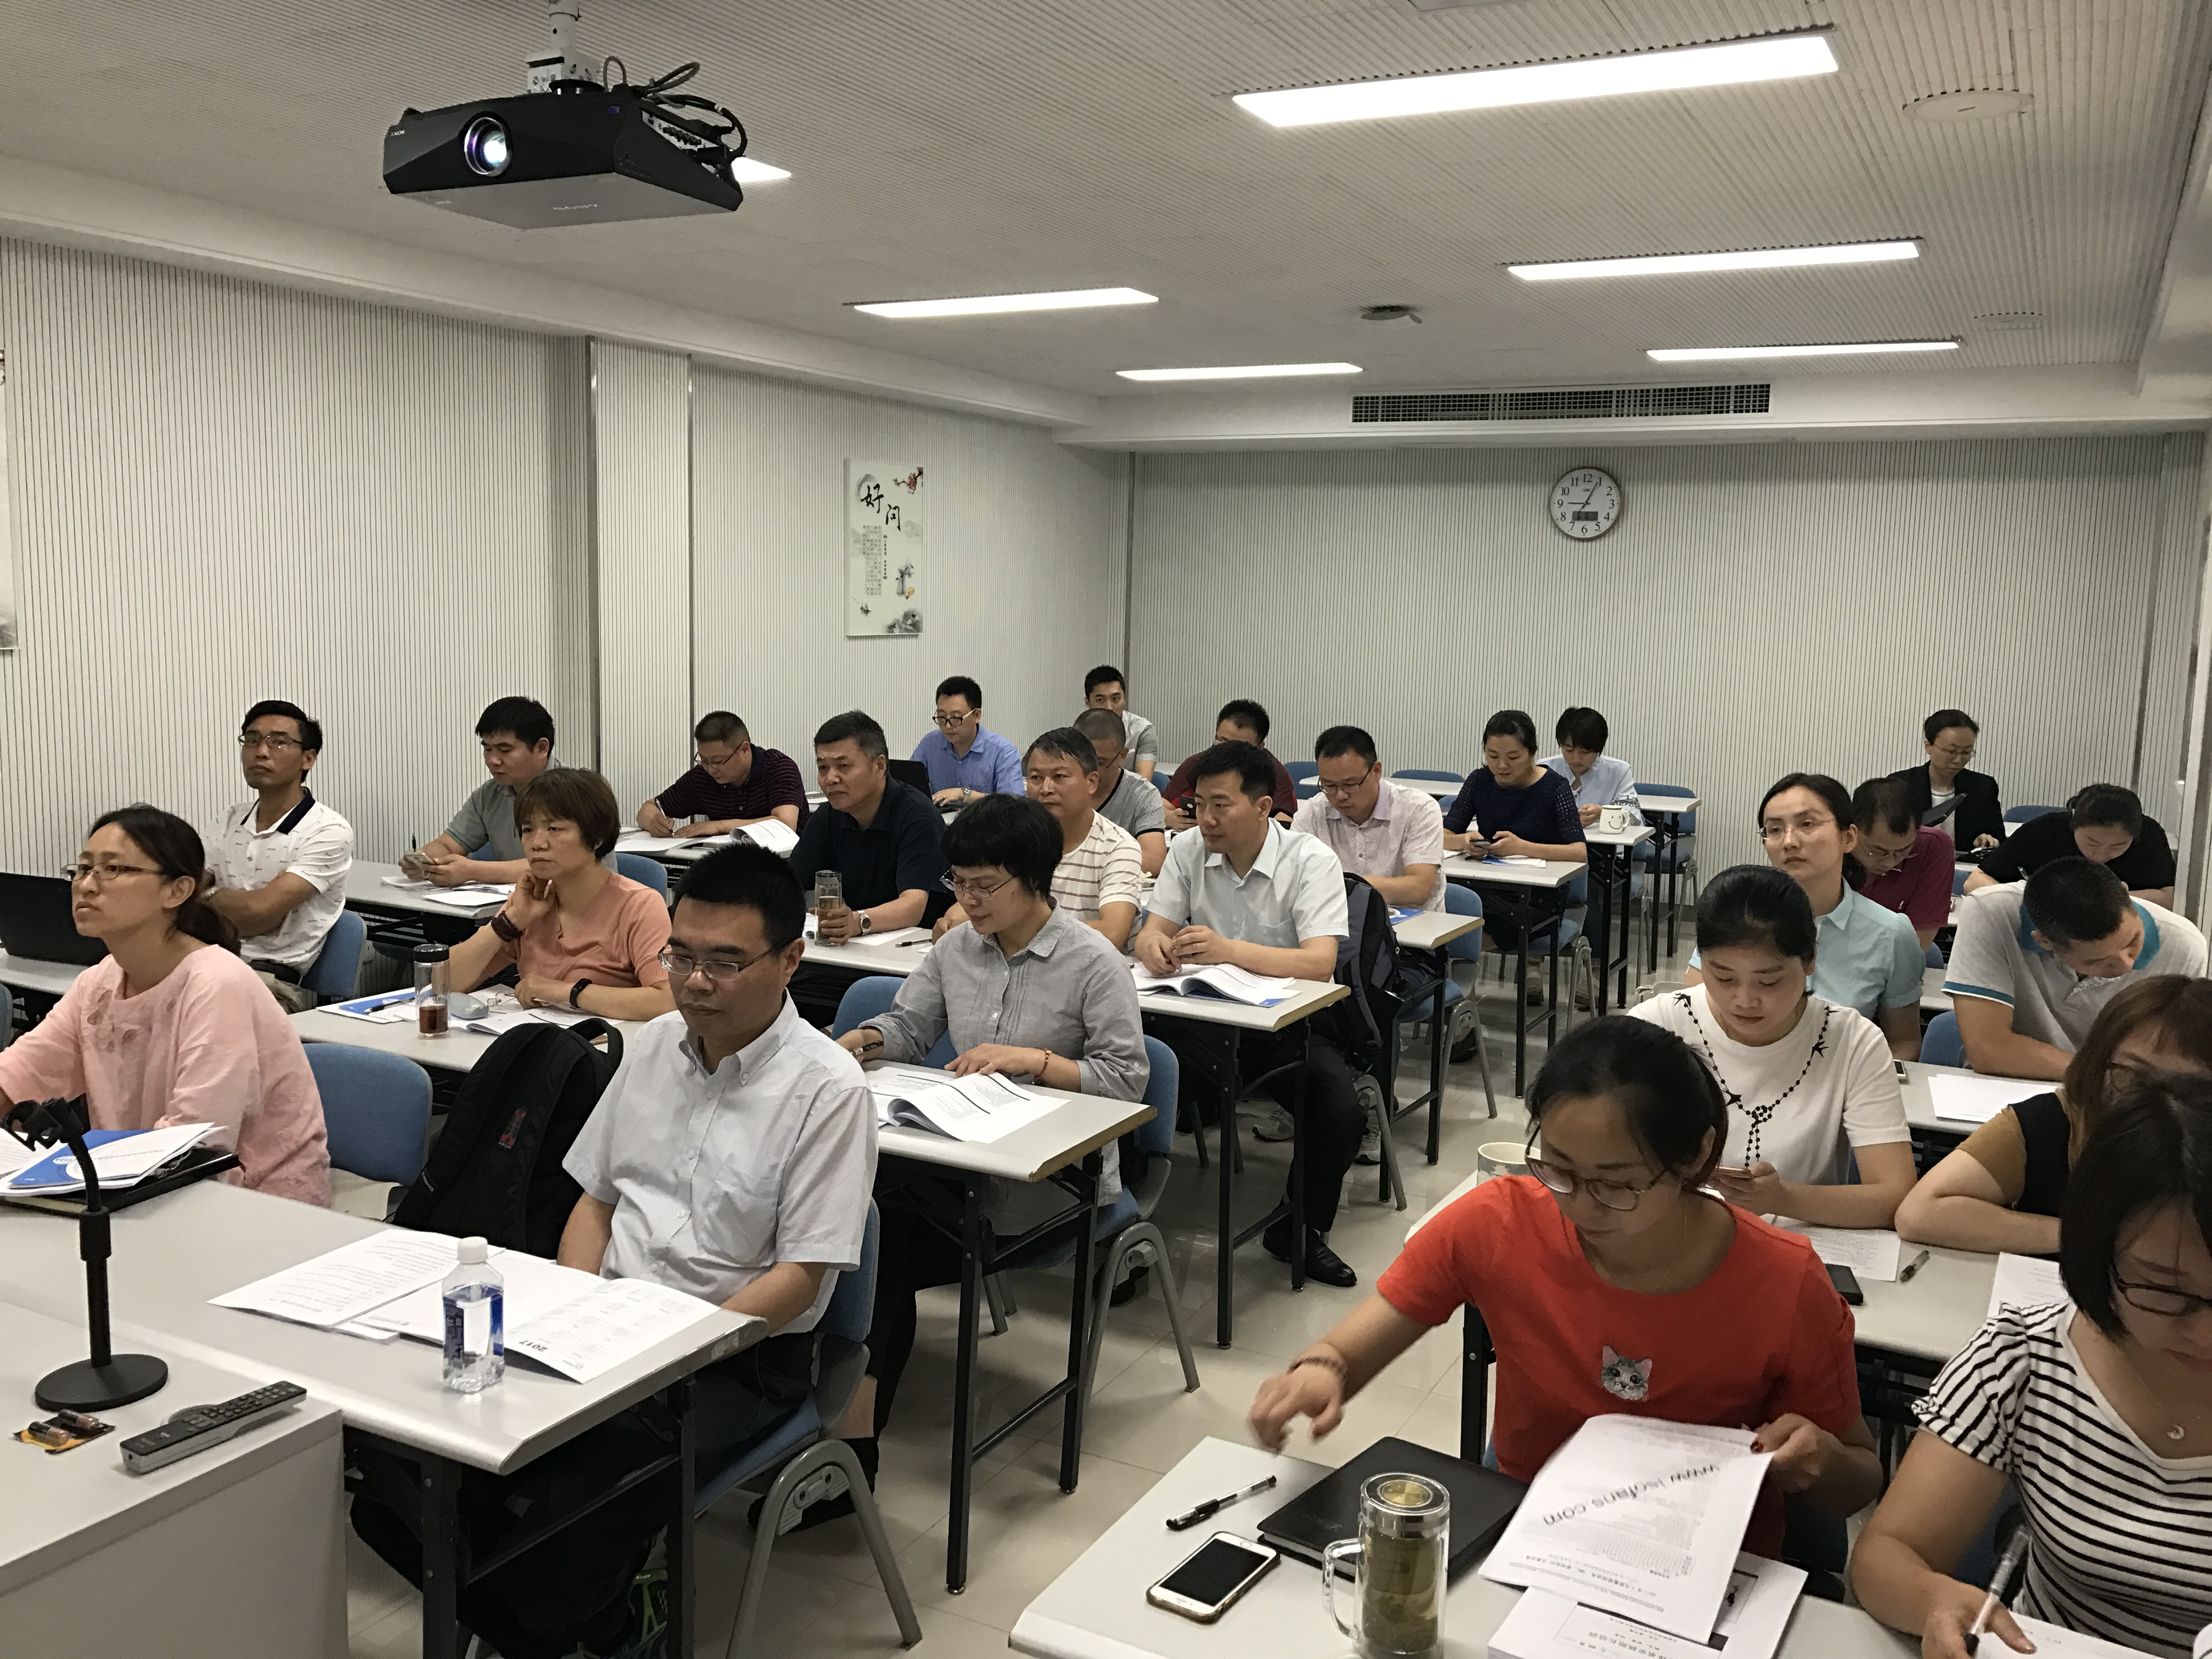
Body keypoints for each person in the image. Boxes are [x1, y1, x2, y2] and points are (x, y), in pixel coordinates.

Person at [352, 844, 876, 1659]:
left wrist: (669, 1355)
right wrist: (574, 1308)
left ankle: (593, 1624)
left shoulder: (829, 1090)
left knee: (575, 1505)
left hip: (732, 1360)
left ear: (790, 960)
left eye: (725, 963)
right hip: (601, 1327)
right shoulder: (655, 1044)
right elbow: (595, 1200)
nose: (695, 982)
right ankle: (594, 1623)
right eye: (681, 957)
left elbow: (800, 1280)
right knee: (395, 1479)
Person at [1248, 1017, 1881, 1561]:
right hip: (1532, 1521)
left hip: (1700, 1555)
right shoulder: (1498, 1221)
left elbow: (1859, 1479)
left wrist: (1819, 1460)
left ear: (1694, 1156)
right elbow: (1355, 1345)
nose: (1580, 1204)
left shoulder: (1784, 1281)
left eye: (1615, 1184)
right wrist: (1322, 1372)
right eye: (1558, 1168)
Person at [814, 794, 1148, 1527]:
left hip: (1049, 1186)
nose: (967, 900)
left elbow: (1127, 1081)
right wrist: (859, 1043)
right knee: (850, 1220)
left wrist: (1036, 1061)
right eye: (958, 882)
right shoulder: (956, 948)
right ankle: (835, 1440)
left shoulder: (1093, 961)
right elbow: (909, 1025)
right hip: (959, 1159)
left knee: (877, 1244)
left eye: (984, 885)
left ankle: (845, 1457)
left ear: (1034, 879)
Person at [1850, 1078, 2212, 1658]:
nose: (2205, 1333)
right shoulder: (2023, 1358)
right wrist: (1933, 1599)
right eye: (2165, 1291)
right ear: (2096, 1253)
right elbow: (1885, 1556)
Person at [0, 806, 330, 1205]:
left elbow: (197, 1144)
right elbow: (17, 1076)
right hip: (138, 1187)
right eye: (83, 869)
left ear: (177, 891)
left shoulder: (216, 984)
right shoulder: (100, 982)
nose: (86, 885)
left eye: (112, 869)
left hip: (254, 1202)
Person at [1134, 741, 1361, 1288]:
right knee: (1133, 1082)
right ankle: (1121, 1233)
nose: (1206, 819)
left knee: (1340, 1111)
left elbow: (1319, 963)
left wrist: (1228, 951)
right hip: (1199, 1020)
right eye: (1199, 805)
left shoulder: (1309, 860)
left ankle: (1298, 1229)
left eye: (1221, 805)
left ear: (1262, 807)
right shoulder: (1187, 849)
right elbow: (1151, 931)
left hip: (1286, 1025)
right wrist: (1154, 948)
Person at [1631, 866, 1916, 1228]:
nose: (1744, 1000)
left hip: (1800, 1243)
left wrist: (1782, 1199)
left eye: (1769, 982)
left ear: (1810, 960)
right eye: (1724, 977)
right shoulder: (1656, 1027)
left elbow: (1894, 1196)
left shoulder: (1852, 1042)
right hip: (1675, 1236)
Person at [1897, 977, 2212, 1254]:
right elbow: (1920, 1213)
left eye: (2187, 1086)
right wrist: (2092, 1239)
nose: (2156, 1099)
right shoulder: (2052, 1123)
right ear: (2098, 1064)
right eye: (2132, 1075)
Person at [1689, 774, 1922, 1059]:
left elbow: (1903, 1043)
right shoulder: (1735, 913)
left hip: (1840, 1081)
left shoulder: (1890, 933)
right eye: (1775, 829)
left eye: (1807, 824)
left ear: (1849, 837)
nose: (1789, 841)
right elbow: (1694, 1019)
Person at [1944, 858, 2207, 1081]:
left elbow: (2174, 1058)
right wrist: (2102, 1077)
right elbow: (1989, 1049)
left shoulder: (2183, 944)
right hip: (2008, 1084)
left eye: (2133, 942)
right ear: (2045, 942)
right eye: (2096, 961)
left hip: (2119, 1099)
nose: (2126, 965)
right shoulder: (1991, 912)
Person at [445, 769, 675, 1022]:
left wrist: (568, 993)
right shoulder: (530, 902)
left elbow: (667, 1001)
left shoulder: (640, 906)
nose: (537, 843)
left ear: (597, 838)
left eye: (554, 829)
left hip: (607, 1042)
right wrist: (510, 921)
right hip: (539, 1036)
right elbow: (442, 984)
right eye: (528, 830)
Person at [205, 699, 355, 997]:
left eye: (278, 742)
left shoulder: (328, 829)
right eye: (252, 740)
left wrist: (205, 899)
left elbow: (257, 915)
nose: (261, 751)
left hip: (270, 981)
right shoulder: (230, 818)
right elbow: (178, 890)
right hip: (208, 963)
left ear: (308, 759)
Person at [789, 709, 952, 940]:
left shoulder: (917, 815)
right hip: (862, 945)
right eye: (823, 768)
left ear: (880, 766)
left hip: (920, 943)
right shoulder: (829, 816)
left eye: (843, 766)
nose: (830, 778)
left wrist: (858, 921)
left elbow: (913, 906)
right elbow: (789, 883)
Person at [417, 696, 608, 886]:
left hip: (585, 900)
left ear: (542, 748)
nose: (493, 761)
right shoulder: (488, 795)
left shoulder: (578, 793)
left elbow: (557, 865)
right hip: (519, 900)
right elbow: (448, 844)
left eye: (505, 750)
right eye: (488, 749)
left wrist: (473, 870)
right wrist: (425, 861)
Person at [1292, 725, 1445, 911]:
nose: (1340, 795)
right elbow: (1294, 884)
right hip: (1339, 924)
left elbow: (1418, 888)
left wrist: (1343, 886)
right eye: (1329, 786)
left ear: (1377, 771)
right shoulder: (1312, 814)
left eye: (1350, 784)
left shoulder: (1418, 808)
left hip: (1415, 927)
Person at [1022, 727, 1143, 949]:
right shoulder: (1017, 839)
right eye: (1036, 778)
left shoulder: (1118, 847)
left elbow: (1113, 933)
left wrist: (1020, 930)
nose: (1046, 789)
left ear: (1092, 782)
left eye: (1059, 777)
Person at [1968, 783, 2178, 909]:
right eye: (2092, 843)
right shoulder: (2044, 830)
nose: (2101, 855)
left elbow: (2171, 899)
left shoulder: (2149, 835)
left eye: (2117, 847)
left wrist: (2109, 898)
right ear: (2074, 822)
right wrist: (2034, 901)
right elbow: (1975, 881)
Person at [635, 710, 806, 837]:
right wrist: (654, 822)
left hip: (785, 864)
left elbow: (785, 823)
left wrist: (717, 826)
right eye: (704, 760)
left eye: (717, 761)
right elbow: (648, 808)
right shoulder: (702, 777)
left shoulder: (778, 767)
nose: (711, 769)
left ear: (744, 750)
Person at [1851, 776, 1955, 952]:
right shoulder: (1829, 847)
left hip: (1895, 959)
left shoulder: (1932, 847)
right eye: (1878, 851)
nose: (1890, 862)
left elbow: (1918, 943)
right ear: (1851, 832)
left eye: (1903, 851)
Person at [1160, 701, 1299, 829]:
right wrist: (1172, 818)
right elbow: (1160, 807)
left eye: (1239, 747)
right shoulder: (1197, 764)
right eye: (1222, 742)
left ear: (1259, 747)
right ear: (1216, 733)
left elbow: (1284, 824)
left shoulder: (1275, 773)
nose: (1227, 752)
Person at [1888, 709, 2004, 852]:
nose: (1959, 760)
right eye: (1951, 751)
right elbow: (1888, 836)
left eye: (1966, 752)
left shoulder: (1983, 786)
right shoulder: (1900, 784)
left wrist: (1986, 840)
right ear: (1928, 746)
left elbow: (1999, 839)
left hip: (1965, 864)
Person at [1075, 707, 1166, 876]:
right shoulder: (1060, 786)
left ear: (1122, 756)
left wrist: (1083, 865)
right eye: (1082, 760)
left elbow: (1153, 861)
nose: (1090, 771)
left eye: (1100, 763)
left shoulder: (1142, 794)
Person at [911, 675, 1024, 808]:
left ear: (977, 716)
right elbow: (909, 785)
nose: (948, 726)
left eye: (956, 718)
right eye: (941, 717)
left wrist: (965, 794)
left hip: (983, 820)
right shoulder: (930, 744)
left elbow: (1014, 806)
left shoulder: (1003, 752)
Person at [1541, 706, 1644, 828]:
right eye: (1569, 750)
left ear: (1599, 749)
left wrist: (1603, 812)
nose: (1576, 759)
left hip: (1605, 839)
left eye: (1585, 752)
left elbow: (1633, 816)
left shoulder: (1619, 771)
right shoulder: (1545, 769)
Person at [1083, 663, 1158, 779]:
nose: (1109, 708)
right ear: (1088, 702)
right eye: (1100, 700)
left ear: (1124, 699)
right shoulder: (1080, 731)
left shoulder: (1142, 731)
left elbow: (1144, 779)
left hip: (1129, 790)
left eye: (1115, 699)